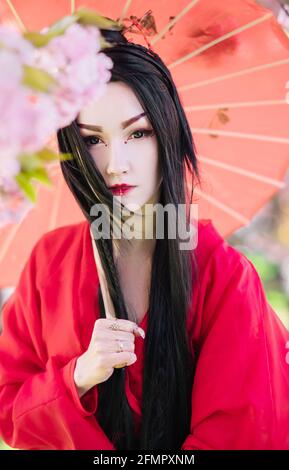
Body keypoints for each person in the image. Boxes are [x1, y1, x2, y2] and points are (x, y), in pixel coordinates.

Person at [0, 26, 289, 452]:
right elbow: (10, 408)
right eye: (93, 140)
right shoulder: (50, 261)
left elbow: (242, 432)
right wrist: (78, 374)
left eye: (138, 133)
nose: (117, 164)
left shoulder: (224, 276)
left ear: (168, 131)